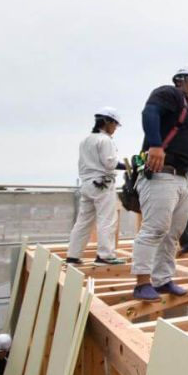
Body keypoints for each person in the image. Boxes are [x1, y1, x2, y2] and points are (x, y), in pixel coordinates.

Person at [131, 64, 188, 302]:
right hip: (162, 174)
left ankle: (163, 280)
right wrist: (155, 145)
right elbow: (150, 113)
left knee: (172, 233)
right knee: (155, 229)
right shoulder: (169, 93)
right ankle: (142, 283)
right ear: (182, 80)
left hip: (182, 178)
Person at [65, 107, 126, 266]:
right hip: (102, 184)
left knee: (83, 221)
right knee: (107, 219)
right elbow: (109, 163)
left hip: (87, 184)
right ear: (108, 121)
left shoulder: (86, 140)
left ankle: (73, 256)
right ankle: (105, 256)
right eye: (115, 125)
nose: (115, 129)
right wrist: (128, 166)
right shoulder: (105, 140)